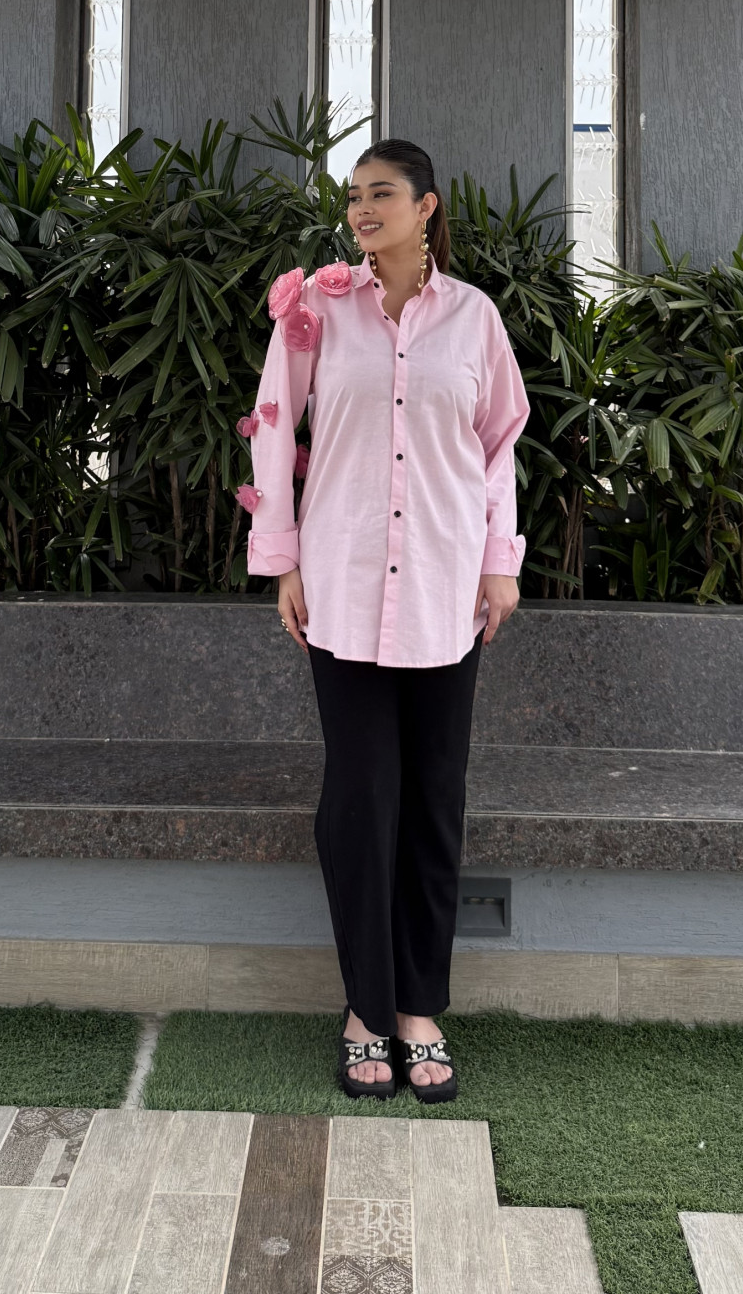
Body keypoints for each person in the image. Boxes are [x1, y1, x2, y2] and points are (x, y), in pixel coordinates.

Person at [241, 139, 528, 1099]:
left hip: (448, 587)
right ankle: (366, 1007)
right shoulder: (313, 310)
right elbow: (274, 429)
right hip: (343, 582)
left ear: (426, 206)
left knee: (434, 802)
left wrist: (500, 566)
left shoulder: (475, 320)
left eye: (382, 193)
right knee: (360, 803)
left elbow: (498, 452)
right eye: (355, 196)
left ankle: (420, 1009)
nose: (363, 208)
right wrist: (280, 558)